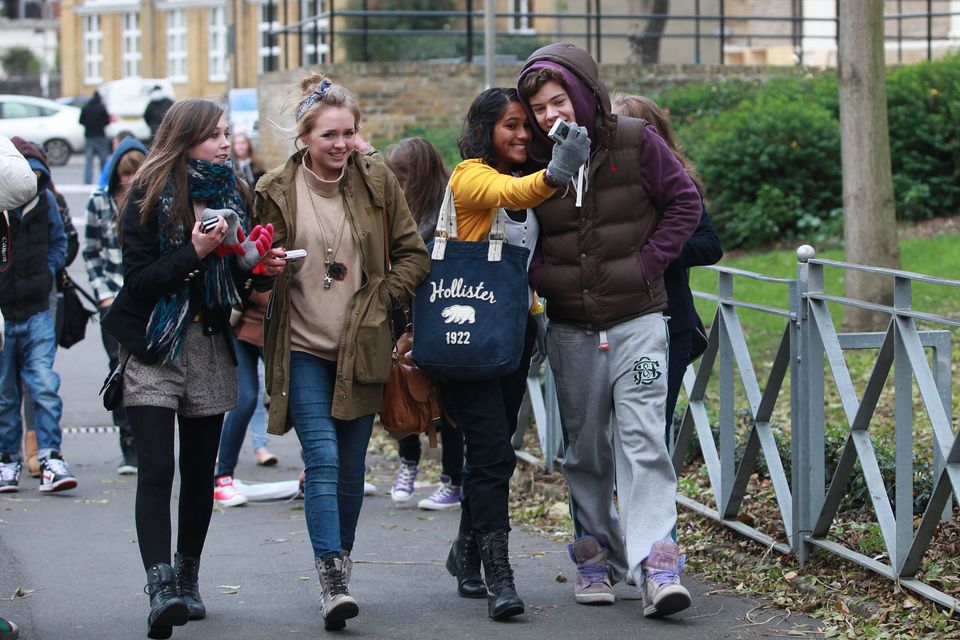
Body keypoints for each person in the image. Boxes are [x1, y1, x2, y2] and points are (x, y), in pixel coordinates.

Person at [517, 42, 701, 617]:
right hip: (571, 327)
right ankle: (595, 554)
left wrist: (647, 264)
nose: (551, 115)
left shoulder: (633, 140)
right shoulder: (531, 160)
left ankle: (656, 564)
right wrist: (546, 277)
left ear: (584, 93)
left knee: (644, 440)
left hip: (640, 322)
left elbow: (684, 204)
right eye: (540, 108)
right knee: (585, 449)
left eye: (558, 100)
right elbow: (514, 226)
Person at [101, 98, 284, 639]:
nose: (226, 143)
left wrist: (260, 268)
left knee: (200, 472)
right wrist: (198, 252)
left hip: (207, 340)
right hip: (155, 345)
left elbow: (240, 283)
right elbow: (137, 283)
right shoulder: (147, 193)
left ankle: (187, 576)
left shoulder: (235, 193)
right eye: (214, 135)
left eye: (227, 133)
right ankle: (159, 587)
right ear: (184, 138)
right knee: (158, 469)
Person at [253, 73, 429, 631]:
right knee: (323, 461)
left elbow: (413, 256)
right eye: (329, 134)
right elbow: (255, 270)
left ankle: (341, 564)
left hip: (364, 347)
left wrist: (382, 298)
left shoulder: (376, 181)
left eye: (349, 133)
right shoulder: (273, 189)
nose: (341, 144)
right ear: (304, 136)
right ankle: (331, 576)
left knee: (351, 469)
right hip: (302, 348)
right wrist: (266, 267)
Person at [440, 87, 589, 621]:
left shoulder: (515, 175)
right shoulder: (471, 176)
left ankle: (465, 552)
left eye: (527, 124)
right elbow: (522, 192)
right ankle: (499, 575)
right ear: (485, 130)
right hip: (470, 335)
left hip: (513, 334)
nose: (524, 133)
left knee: (491, 450)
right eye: (511, 125)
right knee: (494, 455)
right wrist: (556, 173)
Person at [610, 93, 723, 447]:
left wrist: (655, 252)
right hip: (610, 324)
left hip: (667, 322)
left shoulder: (676, 183)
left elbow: (710, 245)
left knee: (649, 431)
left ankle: (644, 501)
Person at [384, 137, 464, 511]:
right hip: (403, 313)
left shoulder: (449, 205)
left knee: (447, 398)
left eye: (404, 176)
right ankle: (408, 462)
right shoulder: (397, 206)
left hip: (439, 311)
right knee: (400, 387)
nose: (399, 184)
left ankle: (452, 478)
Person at [0, 136, 73, 495]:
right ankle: (6, 460)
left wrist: (48, 270)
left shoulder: (44, 201)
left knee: (43, 384)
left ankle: (50, 457)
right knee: (5, 393)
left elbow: (61, 243)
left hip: (39, 308)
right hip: (3, 311)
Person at [83, 135, 148, 475]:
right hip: (113, 298)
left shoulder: (153, 201)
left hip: (145, 299)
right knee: (118, 369)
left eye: (136, 173)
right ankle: (128, 443)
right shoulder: (99, 202)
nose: (130, 181)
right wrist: (103, 293)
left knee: (148, 372)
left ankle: (148, 440)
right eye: (125, 174)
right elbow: (90, 250)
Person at [212, 289, 276, 509]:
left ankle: (315, 473)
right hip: (243, 326)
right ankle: (223, 478)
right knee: (246, 397)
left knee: (299, 398)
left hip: (285, 330)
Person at [79, 90, 111, 185]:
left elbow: (80, 121)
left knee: (89, 161)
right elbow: (107, 122)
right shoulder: (102, 108)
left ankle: (87, 181)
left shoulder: (86, 108)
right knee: (103, 161)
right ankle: (104, 181)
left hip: (89, 137)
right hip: (101, 136)